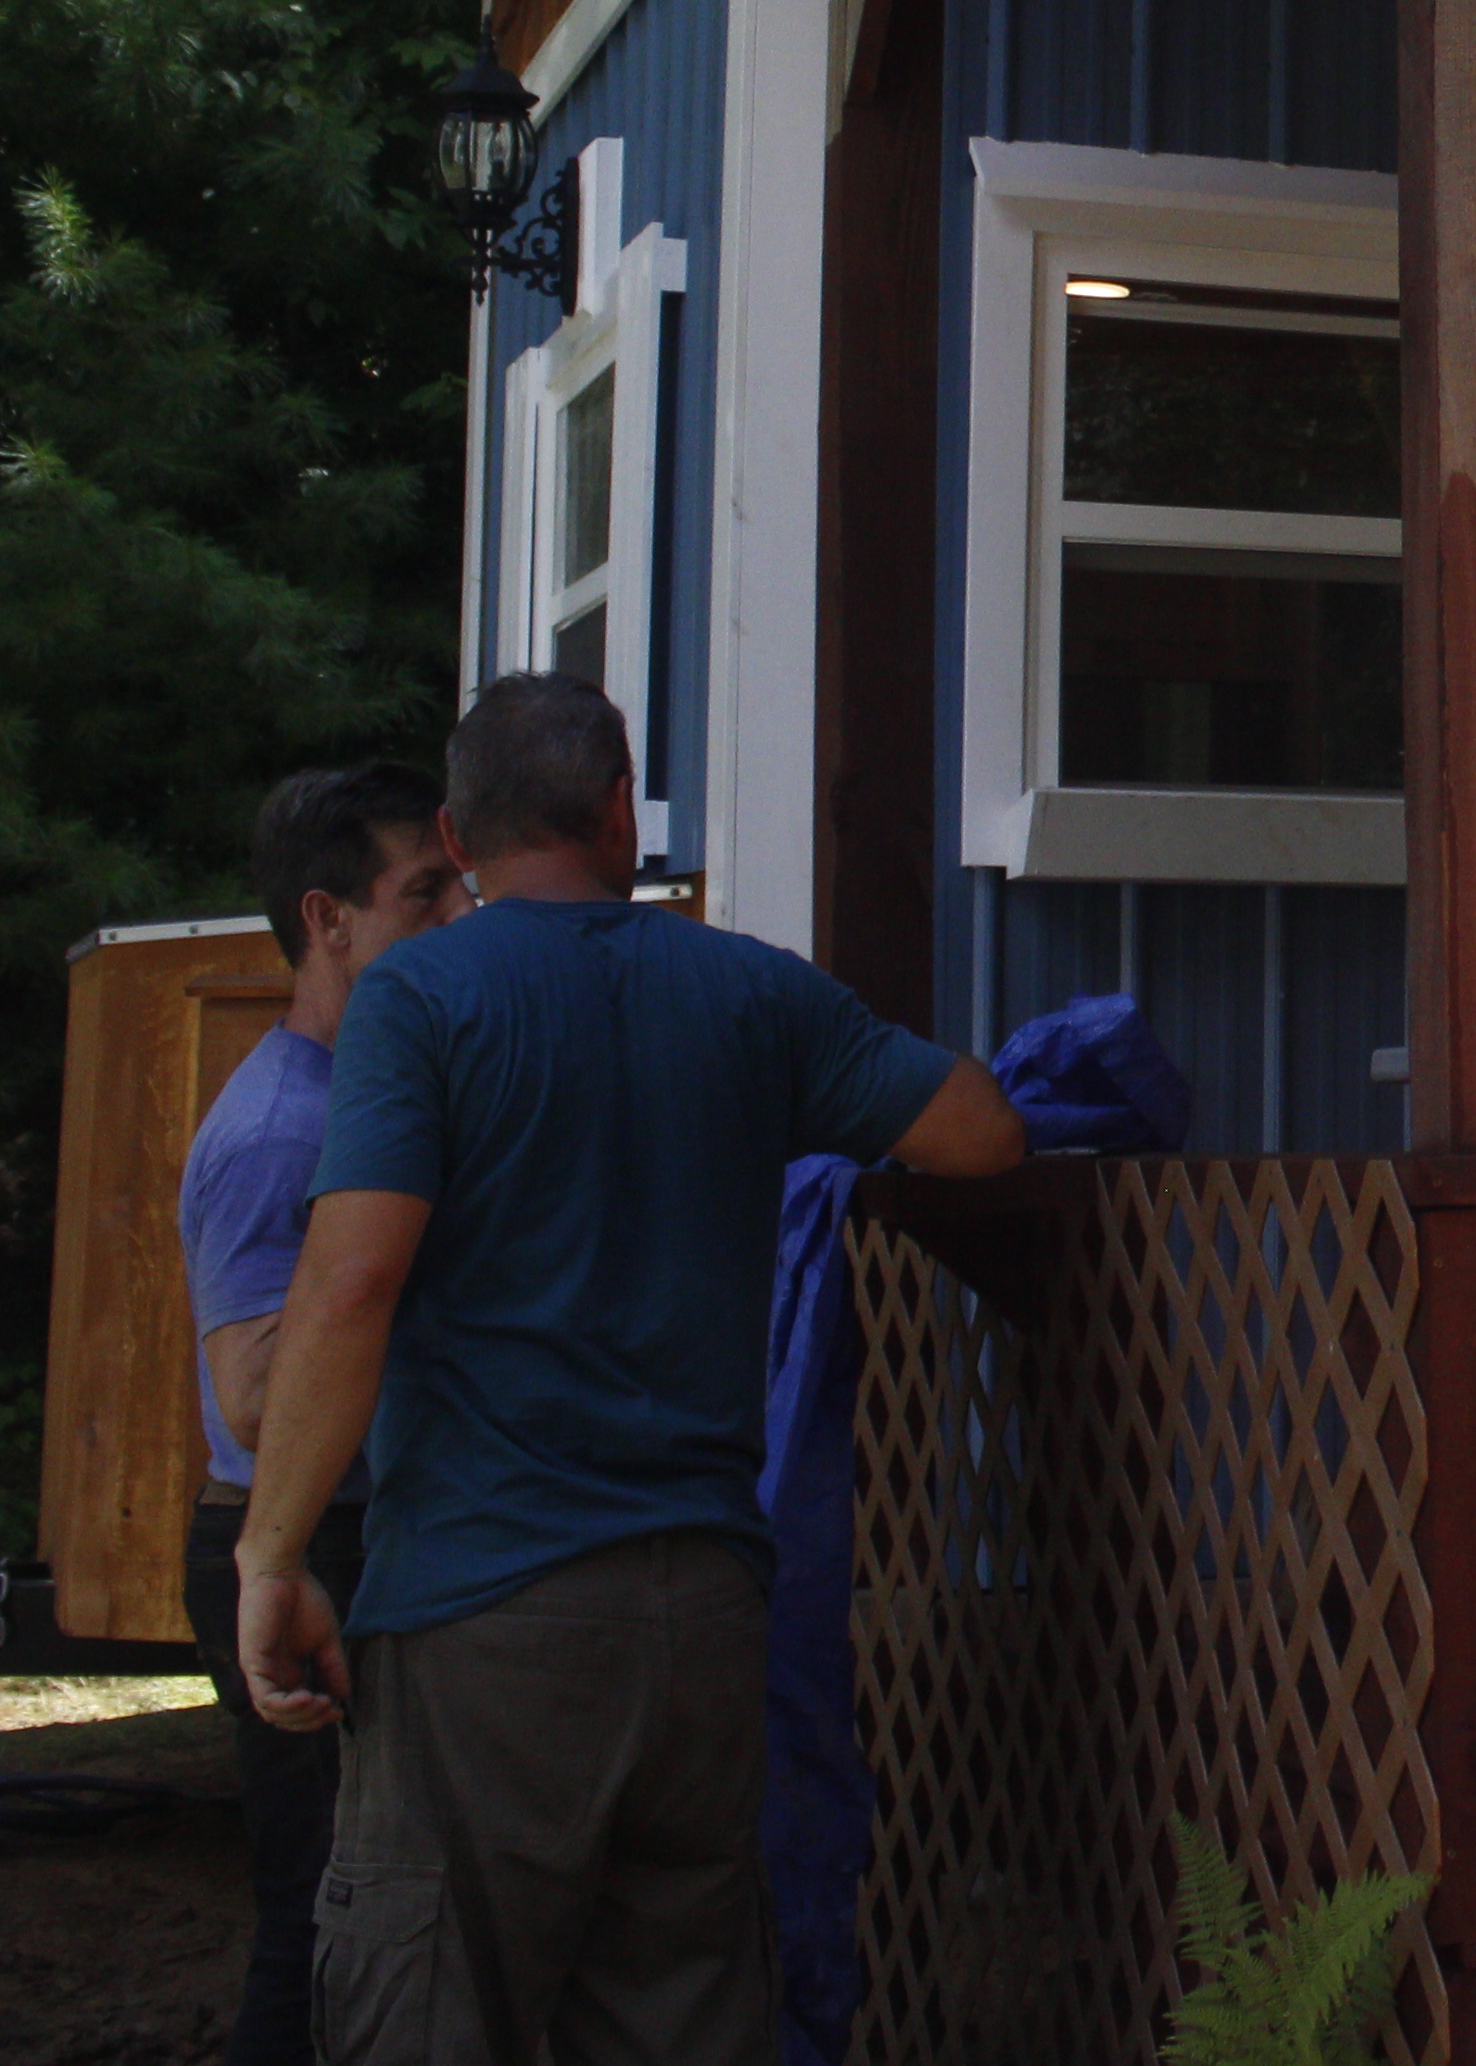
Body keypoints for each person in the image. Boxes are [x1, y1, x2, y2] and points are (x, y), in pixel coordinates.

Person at [230, 673, 1025, 2064]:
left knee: (428, 2016)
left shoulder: (418, 997)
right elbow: (981, 1131)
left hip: (487, 1616)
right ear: (616, 812)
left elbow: (352, 1281)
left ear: (459, 841)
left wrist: (273, 1554)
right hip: (705, 1621)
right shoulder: (748, 990)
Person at [184, 761, 465, 2066]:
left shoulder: (365, 1097)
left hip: (352, 1540)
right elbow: (250, 1396)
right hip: (296, 1544)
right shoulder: (282, 1131)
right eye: (425, 893)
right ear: (328, 918)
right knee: (322, 1911)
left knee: (387, 1903)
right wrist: (378, 1286)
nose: (457, 917)